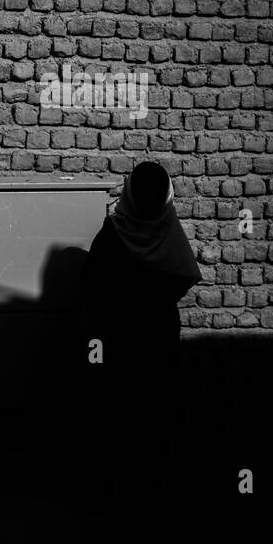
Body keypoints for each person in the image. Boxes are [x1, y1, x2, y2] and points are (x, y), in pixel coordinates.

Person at [81, 161, 202, 404]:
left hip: (118, 334)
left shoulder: (113, 233)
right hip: (156, 333)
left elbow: (92, 286)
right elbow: (185, 275)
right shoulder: (170, 232)